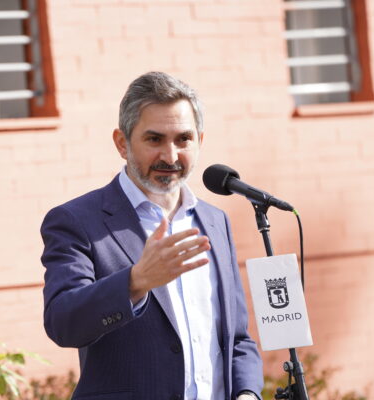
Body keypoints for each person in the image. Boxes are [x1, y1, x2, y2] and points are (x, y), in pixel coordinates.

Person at [40, 71, 263, 400]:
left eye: (183, 139)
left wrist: (247, 393)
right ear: (122, 143)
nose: (170, 156)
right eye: (155, 139)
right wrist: (135, 282)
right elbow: (63, 323)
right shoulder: (77, 221)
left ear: (200, 140)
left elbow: (237, 338)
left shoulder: (216, 222)